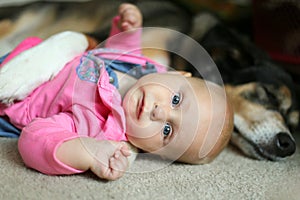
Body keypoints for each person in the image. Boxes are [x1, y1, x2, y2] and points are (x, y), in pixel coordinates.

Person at [0, 3, 233, 180]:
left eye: (167, 130)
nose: (159, 112)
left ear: (154, 153)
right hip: (27, 56)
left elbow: (35, 139)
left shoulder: (101, 128)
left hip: (11, 98)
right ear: (177, 75)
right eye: (175, 100)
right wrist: (127, 32)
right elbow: (114, 53)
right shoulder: (146, 68)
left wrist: (88, 151)